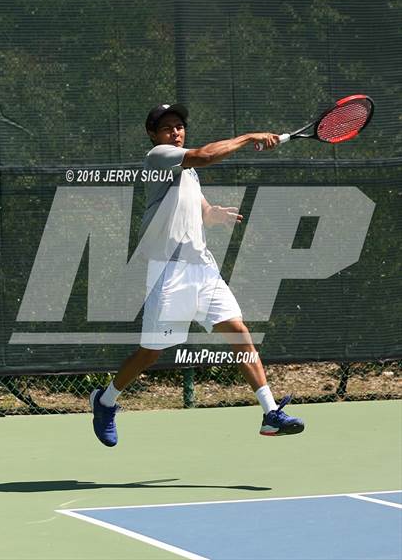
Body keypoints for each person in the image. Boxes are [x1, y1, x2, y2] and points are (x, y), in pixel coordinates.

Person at [90, 103, 304, 447]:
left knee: (238, 332)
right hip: (169, 273)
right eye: (167, 128)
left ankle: (270, 413)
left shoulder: (186, 171)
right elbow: (204, 156)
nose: (175, 132)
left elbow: (197, 203)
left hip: (203, 269)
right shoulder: (159, 156)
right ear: (153, 135)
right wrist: (250, 137)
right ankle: (105, 401)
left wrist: (211, 214)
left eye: (179, 127)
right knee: (150, 353)